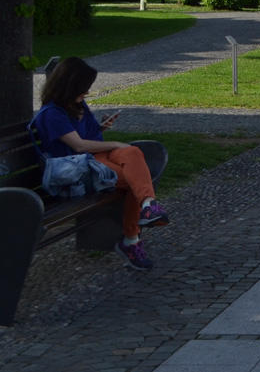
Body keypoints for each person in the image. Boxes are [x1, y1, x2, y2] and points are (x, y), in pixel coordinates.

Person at [30, 57, 170, 271]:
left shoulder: (76, 104)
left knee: (133, 152)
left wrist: (102, 128)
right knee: (135, 179)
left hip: (97, 158)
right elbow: (78, 146)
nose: (86, 93)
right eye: (83, 89)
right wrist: (114, 142)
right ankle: (131, 240)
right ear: (68, 87)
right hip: (79, 169)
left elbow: (87, 136)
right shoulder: (51, 114)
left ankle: (149, 206)